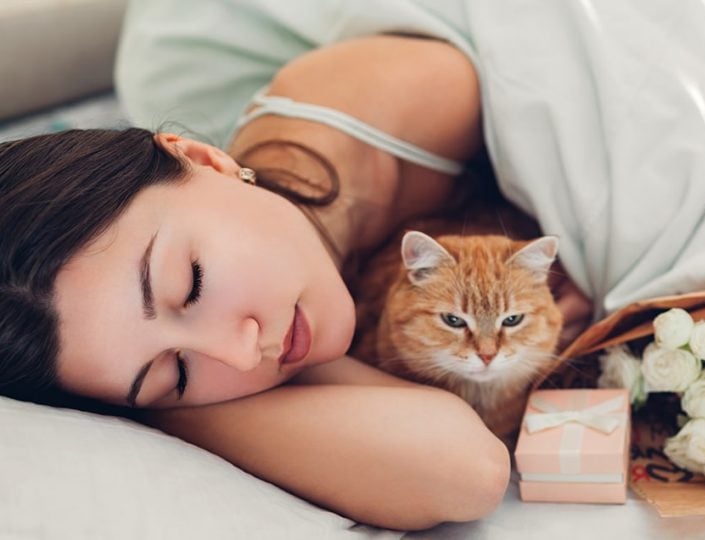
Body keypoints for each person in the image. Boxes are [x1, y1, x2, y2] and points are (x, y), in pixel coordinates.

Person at [0, 19, 596, 534]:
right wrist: (157, 410)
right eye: (173, 372)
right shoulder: (236, 349)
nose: (246, 351)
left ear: (206, 161)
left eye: (193, 285)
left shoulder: (399, 91)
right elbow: (467, 470)